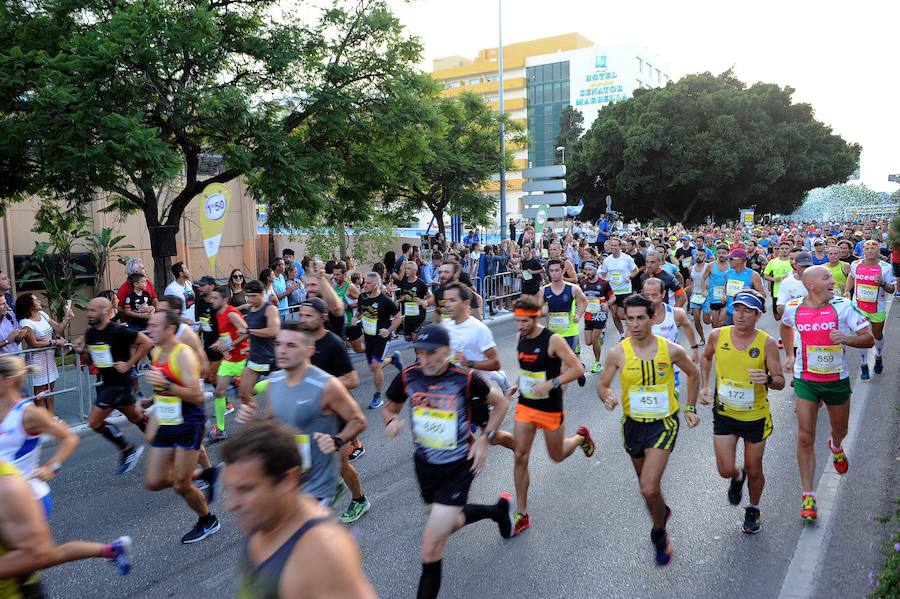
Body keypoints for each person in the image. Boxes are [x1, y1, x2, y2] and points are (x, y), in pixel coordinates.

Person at [381, 324, 514, 599]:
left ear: (448, 352)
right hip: (425, 465)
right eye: (420, 352)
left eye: (432, 353)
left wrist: (483, 439)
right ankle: (498, 511)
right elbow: (390, 409)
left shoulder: (465, 378)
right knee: (448, 522)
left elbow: (501, 404)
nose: (425, 359)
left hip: (458, 464)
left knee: (430, 547)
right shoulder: (409, 376)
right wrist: (392, 421)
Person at [597, 293, 700, 566]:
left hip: (663, 423)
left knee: (648, 486)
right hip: (632, 425)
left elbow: (694, 373)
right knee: (648, 490)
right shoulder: (617, 352)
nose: (635, 324)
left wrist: (690, 408)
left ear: (653, 318)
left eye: (641, 317)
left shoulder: (671, 349)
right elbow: (603, 383)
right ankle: (660, 512)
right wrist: (606, 395)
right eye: (629, 318)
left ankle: (659, 532)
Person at [225, 422, 376, 598]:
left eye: (246, 489)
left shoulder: (324, 550)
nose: (231, 504)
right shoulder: (263, 519)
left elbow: (356, 419)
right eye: (230, 489)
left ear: (288, 480)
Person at [780, 266, 874, 522]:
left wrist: (844, 338)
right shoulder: (794, 307)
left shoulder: (843, 307)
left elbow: (869, 339)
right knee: (804, 436)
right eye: (827, 278)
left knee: (839, 429)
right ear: (811, 285)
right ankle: (808, 495)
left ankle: (836, 445)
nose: (833, 280)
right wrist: (790, 354)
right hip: (806, 379)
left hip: (836, 380)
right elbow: (785, 326)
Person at [239, 321, 367, 506]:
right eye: (279, 344)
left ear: (309, 351)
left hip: (318, 481)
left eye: (291, 345)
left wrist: (337, 440)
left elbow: (358, 420)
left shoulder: (326, 385)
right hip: (292, 474)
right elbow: (271, 423)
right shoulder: (275, 380)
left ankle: (354, 497)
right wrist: (253, 420)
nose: (282, 351)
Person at [699, 291, 785, 533]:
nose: (740, 315)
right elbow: (705, 358)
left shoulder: (767, 342)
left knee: (755, 468)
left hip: (754, 417)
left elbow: (780, 380)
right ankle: (738, 477)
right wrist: (705, 385)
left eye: (748, 310)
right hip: (725, 414)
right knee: (725, 469)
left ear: (757, 315)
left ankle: (753, 508)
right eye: (737, 309)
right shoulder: (718, 335)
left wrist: (767, 378)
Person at [511, 298, 593, 536]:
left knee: (556, 456)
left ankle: (580, 438)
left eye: (524, 321)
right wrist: (518, 384)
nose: (520, 326)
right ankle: (522, 514)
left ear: (536, 317)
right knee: (520, 455)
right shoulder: (521, 338)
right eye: (517, 320)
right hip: (525, 405)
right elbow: (528, 368)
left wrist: (552, 383)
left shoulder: (552, 339)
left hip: (550, 407)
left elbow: (577, 368)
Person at [143, 310, 222, 544]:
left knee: (180, 483)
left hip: (189, 423)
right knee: (154, 481)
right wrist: (151, 400)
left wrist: (166, 385)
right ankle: (206, 473)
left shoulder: (183, 355)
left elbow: (197, 396)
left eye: (155, 325)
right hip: (168, 422)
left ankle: (208, 520)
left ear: (169, 329)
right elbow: (164, 389)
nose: (150, 329)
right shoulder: (157, 352)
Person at [0, 460, 132, 595]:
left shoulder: (7, 482)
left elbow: (69, 439)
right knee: (44, 554)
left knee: (41, 553)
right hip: (18, 496)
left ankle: (111, 550)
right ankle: (111, 550)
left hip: (25, 496)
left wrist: (51, 467)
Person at [297, 298, 370, 522]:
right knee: (302, 461)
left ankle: (360, 500)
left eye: (308, 315)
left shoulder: (333, 343)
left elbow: (353, 379)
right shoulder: (300, 341)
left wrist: (322, 389)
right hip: (308, 414)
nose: (303, 319)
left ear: (322, 317)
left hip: (334, 414)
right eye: (301, 315)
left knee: (341, 465)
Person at [76, 297, 153, 474]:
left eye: (92, 310)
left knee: (94, 422)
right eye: (88, 310)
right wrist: (82, 352)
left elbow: (146, 343)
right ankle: (164, 442)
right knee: (136, 418)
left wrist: (129, 363)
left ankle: (127, 449)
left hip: (120, 383)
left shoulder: (118, 331)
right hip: (108, 382)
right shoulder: (91, 333)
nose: (88, 313)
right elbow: (90, 361)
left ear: (104, 311)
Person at [0, 355, 78, 518]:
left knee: (37, 545)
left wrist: (51, 467)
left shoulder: (30, 414)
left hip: (28, 498)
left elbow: (69, 438)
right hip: (5, 499)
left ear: (10, 380)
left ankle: (110, 546)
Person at [15, 294, 73, 415]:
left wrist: (67, 318)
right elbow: (33, 343)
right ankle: (43, 421)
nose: (39, 301)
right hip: (37, 361)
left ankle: (52, 417)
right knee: (40, 393)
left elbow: (58, 328)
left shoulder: (42, 314)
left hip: (49, 359)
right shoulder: (25, 322)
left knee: (51, 390)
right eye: (36, 300)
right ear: (29, 305)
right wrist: (54, 342)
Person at [845, 240, 896, 379]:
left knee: (877, 335)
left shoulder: (885, 267)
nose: (870, 251)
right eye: (867, 248)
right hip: (859, 306)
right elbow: (851, 276)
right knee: (863, 336)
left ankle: (878, 356)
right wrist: (847, 291)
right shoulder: (855, 264)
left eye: (873, 248)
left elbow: (892, 289)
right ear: (863, 250)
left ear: (878, 251)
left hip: (877, 307)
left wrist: (883, 283)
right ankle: (863, 365)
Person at [356, 272, 404, 409]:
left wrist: (389, 330)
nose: (364, 285)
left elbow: (398, 317)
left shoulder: (385, 301)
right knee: (373, 367)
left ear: (376, 285)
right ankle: (393, 359)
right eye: (364, 282)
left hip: (381, 338)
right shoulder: (362, 297)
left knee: (376, 366)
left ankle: (377, 396)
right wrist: (356, 318)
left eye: (368, 283)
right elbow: (361, 310)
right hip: (368, 338)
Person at [209, 285, 249, 441]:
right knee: (219, 392)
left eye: (215, 298)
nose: (212, 301)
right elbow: (226, 335)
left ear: (224, 299)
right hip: (229, 359)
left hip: (242, 358)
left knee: (248, 393)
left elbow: (246, 331)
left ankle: (271, 383)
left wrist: (232, 344)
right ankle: (220, 429)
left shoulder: (231, 313)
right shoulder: (219, 314)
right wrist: (219, 343)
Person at [541, 259, 588, 387]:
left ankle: (558, 398)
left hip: (569, 332)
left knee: (563, 366)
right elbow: (539, 308)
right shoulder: (544, 291)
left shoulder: (573, 289)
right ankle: (579, 369)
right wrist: (543, 311)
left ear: (562, 271)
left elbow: (584, 302)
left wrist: (578, 314)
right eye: (551, 271)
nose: (554, 273)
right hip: (552, 333)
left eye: (557, 270)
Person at [237, 280, 280, 412]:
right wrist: (233, 345)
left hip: (272, 358)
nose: (250, 299)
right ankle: (256, 422)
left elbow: (273, 331)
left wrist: (249, 331)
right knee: (244, 393)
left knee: (278, 400)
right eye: (248, 296)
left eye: (253, 296)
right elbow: (249, 332)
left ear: (262, 294)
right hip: (255, 357)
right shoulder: (250, 309)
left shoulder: (270, 309)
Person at [579, 260, 614, 374]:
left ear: (595, 270)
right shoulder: (583, 283)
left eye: (590, 270)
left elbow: (612, 297)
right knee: (588, 342)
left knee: (594, 340)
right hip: (589, 314)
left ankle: (597, 362)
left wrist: (607, 304)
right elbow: (579, 298)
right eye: (586, 270)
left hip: (600, 314)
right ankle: (601, 336)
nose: (587, 272)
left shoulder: (603, 283)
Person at [600, 237, 639, 337]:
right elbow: (603, 274)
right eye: (611, 245)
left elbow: (636, 270)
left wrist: (629, 277)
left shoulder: (627, 258)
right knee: (614, 314)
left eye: (615, 245)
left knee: (621, 315)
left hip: (624, 289)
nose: (613, 247)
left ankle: (633, 326)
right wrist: (605, 280)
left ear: (620, 247)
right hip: (612, 291)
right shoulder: (607, 260)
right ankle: (622, 335)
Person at [722, 249, 767, 326]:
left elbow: (763, 295)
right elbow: (725, 288)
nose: (729, 261)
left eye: (731, 259)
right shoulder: (728, 273)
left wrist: (750, 291)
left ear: (740, 260)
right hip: (730, 312)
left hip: (746, 315)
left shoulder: (753, 275)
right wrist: (723, 296)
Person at [397, 261, 431, 342]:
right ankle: (422, 339)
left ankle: (421, 351)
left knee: (414, 337)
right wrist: (400, 300)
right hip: (408, 315)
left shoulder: (420, 283)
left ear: (414, 270)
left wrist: (422, 301)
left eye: (408, 269)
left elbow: (430, 296)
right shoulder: (404, 282)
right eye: (405, 269)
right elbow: (402, 295)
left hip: (418, 315)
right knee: (407, 338)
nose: (406, 271)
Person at [700, 244, 730, 328]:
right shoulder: (711, 265)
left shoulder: (731, 265)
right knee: (715, 324)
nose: (721, 255)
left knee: (721, 321)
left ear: (728, 253)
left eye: (723, 253)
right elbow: (703, 278)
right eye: (719, 253)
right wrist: (704, 290)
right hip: (714, 297)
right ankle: (716, 338)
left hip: (727, 296)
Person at [763, 242, 794, 316]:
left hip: (791, 292)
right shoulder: (773, 262)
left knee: (790, 315)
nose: (784, 250)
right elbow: (765, 275)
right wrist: (773, 279)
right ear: (779, 250)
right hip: (777, 292)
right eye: (782, 248)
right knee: (777, 316)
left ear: (790, 250)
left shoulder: (793, 261)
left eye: (786, 248)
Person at [687, 250, 708, 344]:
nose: (698, 257)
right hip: (696, 296)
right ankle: (702, 338)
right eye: (697, 255)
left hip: (707, 296)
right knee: (696, 319)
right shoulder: (691, 268)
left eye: (701, 255)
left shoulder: (709, 267)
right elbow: (691, 279)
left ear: (705, 256)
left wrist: (707, 289)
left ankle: (715, 321)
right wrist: (690, 287)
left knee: (707, 320)